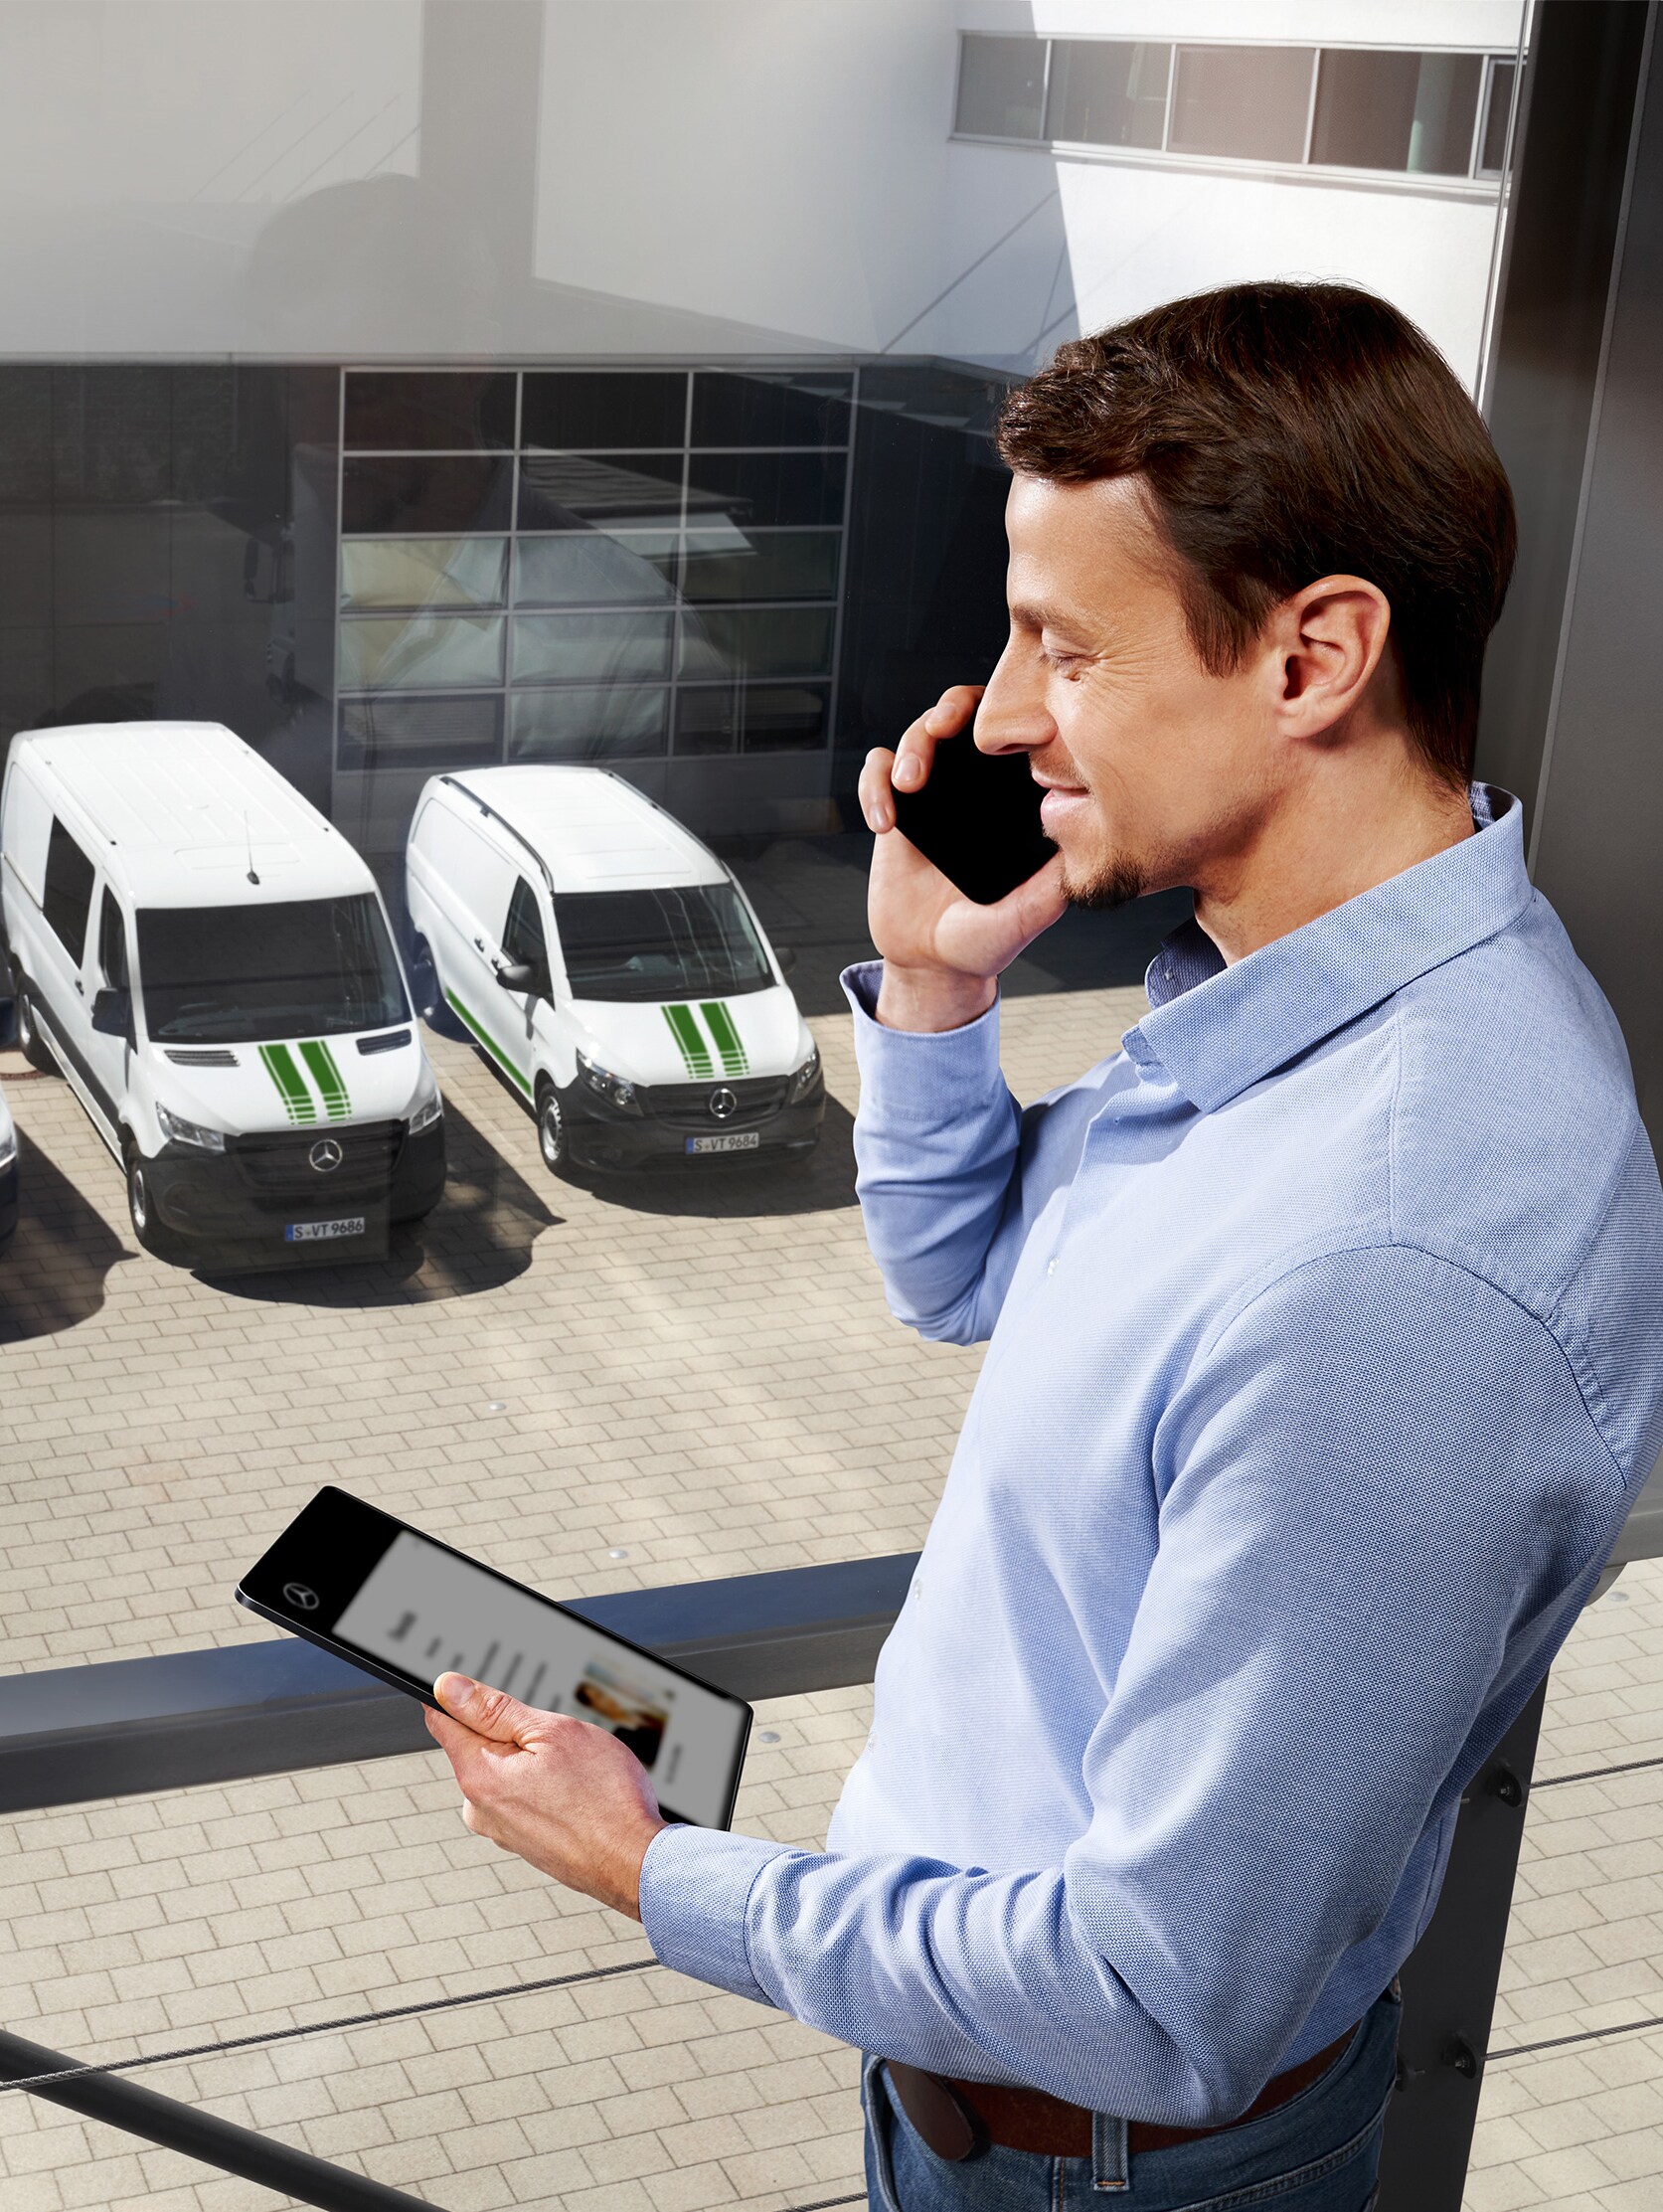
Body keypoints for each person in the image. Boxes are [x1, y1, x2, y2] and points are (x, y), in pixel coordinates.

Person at [424, 282, 1663, 2210]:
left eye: (1061, 650)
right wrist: (928, 980)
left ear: (1316, 655)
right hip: (996, 2111)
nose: (998, 719)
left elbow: (1155, 1998)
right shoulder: (1300, 1012)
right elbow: (969, 1275)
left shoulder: (1396, 1261)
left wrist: (651, 1869)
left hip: (1095, 2161)